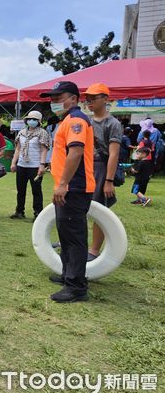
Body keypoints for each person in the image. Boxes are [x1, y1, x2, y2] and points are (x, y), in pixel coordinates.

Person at [41, 81, 95, 303]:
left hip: (74, 187)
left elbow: (76, 153)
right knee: (65, 233)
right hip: (68, 187)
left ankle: (76, 287)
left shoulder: (76, 121)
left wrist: (63, 184)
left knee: (73, 237)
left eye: (58, 97)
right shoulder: (67, 120)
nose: (54, 102)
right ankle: (68, 274)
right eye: (52, 98)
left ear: (73, 98)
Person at [83, 83, 123, 261]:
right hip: (85, 166)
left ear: (106, 99)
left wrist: (109, 180)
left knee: (99, 209)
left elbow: (114, 154)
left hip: (101, 167)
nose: (89, 101)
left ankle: (93, 250)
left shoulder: (112, 123)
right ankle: (76, 243)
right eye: (88, 98)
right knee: (78, 207)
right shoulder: (86, 121)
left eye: (94, 98)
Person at [10, 111, 51, 220]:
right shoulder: (22, 132)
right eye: (29, 119)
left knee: (36, 190)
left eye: (34, 119)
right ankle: (19, 211)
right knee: (20, 190)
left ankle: (38, 213)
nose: (31, 121)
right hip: (22, 165)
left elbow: (44, 150)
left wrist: (42, 165)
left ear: (39, 121)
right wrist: (14, 162)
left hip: (35, 165)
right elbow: (18, 148)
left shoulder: (42, 133)